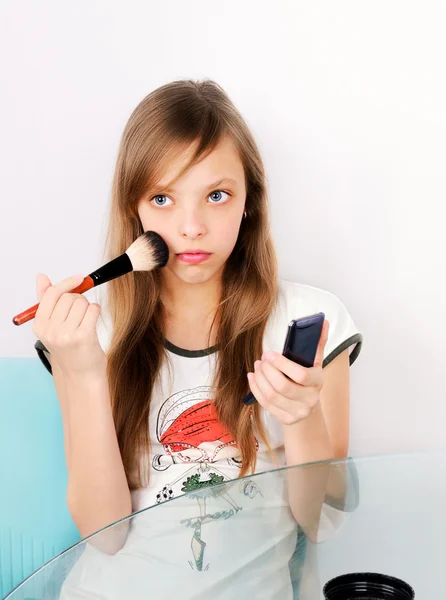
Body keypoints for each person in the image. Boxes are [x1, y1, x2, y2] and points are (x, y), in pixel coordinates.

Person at [33, 79, 362, 599]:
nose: (190, 227)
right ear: (134, 209)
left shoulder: (310, 320)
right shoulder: (92, 335)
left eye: (216, 195)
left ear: (249, 200)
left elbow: (319, 523)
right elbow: (106, 535)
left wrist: (301, 416)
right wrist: (85, 374)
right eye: (162, 197)